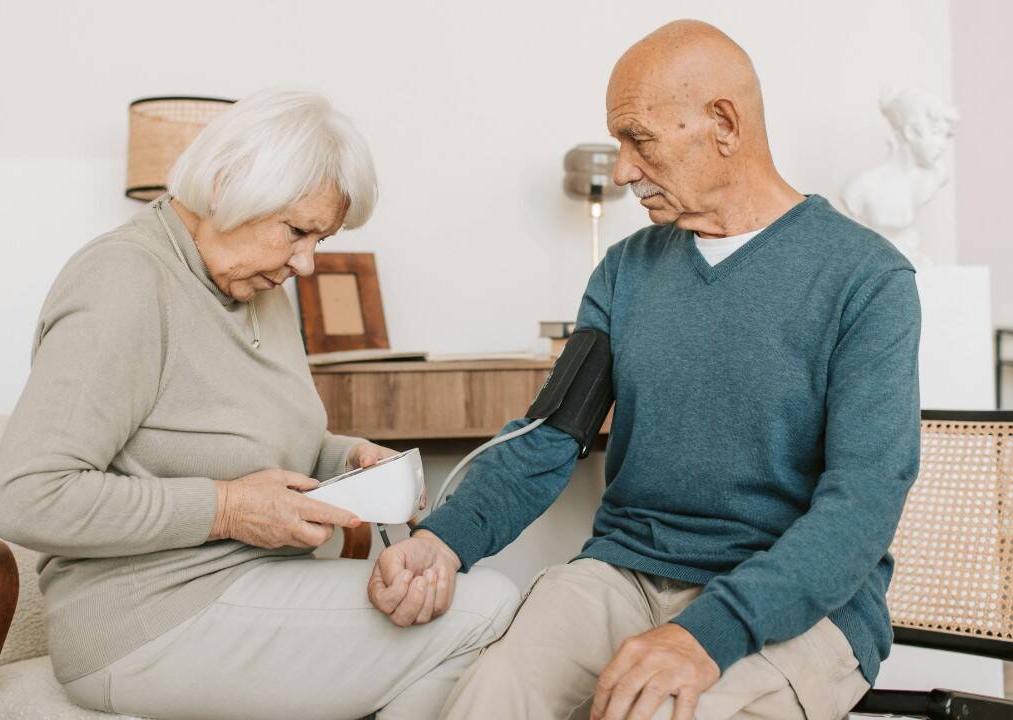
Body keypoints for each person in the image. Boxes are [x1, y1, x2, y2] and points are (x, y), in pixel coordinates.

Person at [368, 20, 921, 720]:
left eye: (640, 138)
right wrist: (444, 540)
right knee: (491, 694)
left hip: (796, 606)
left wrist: (704, 637)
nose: (623, 168)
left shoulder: (866, 278)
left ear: (723, 122)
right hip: (625, 575)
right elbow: (545, 439)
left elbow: (862, 505)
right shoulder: (626, 272)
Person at [0, 89, 519, 720]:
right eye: (297, 231)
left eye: (320, 238)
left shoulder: (258, 288)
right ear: (225, 185)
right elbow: (26, 495)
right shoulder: (125, 282)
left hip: (250, 588)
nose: (308, 262)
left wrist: (345, 458)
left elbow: (250, 438)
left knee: (450, 599)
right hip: (144, 621)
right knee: (486, 608)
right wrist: (229, 509)